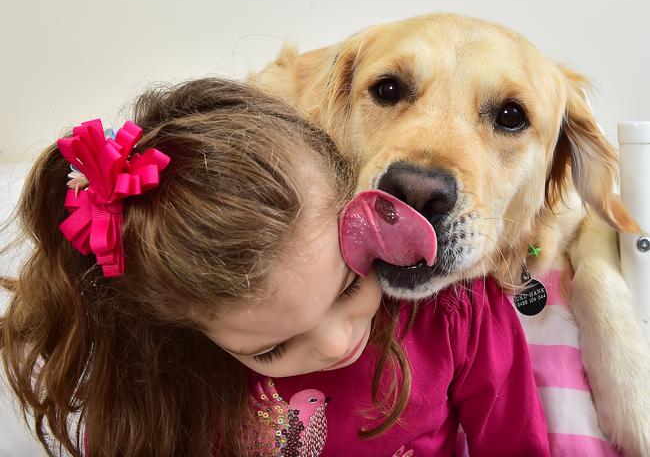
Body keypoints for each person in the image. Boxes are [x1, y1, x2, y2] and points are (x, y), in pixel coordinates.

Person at [0, 78, 549, 456]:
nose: (336, 344)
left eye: (349, 285)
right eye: (271, 350)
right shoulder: (160, 387)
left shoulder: (456, 312)